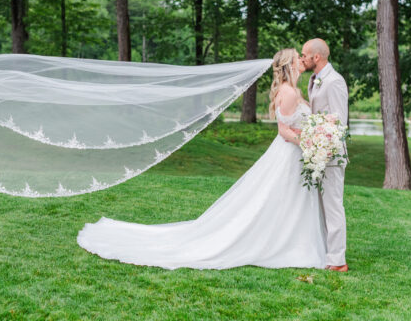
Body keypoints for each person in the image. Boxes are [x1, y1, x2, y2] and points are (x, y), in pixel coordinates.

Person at [76, 48, 329, 270]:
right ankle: (287, 245)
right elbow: (284, 131)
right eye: (298, 58)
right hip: (288, 154)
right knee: (276, 200)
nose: (301, 60)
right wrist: (310, 142)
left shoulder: (291, 90)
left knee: (283, 200)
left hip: (293, 155)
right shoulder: (289, 93)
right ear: (289, 65)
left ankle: (291, 241)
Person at [300, 38, 349, 272]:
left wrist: (323, 148)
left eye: (304, 54)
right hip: (317, 153)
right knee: (321, 208)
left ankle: (338, 261)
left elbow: (339, 121)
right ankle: (326, 253)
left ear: (316, 57)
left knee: (333, 207)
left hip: (331, 155)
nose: (302, 58)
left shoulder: (335, 82)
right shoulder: (315, 80)